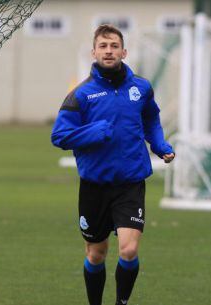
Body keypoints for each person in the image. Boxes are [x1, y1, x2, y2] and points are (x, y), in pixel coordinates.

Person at [51, 24, 175, 305]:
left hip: (130, 184)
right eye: (103, 46)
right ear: (94, 52)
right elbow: (59, 135)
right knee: (96, 254)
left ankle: (122, 302)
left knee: (128, 251)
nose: (109, 51)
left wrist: (160, 145)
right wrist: (92, 132)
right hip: (94, 186)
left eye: (114, 46)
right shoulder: (81, 94)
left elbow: (151, 119)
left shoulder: (141, 88)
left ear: (124, 52)